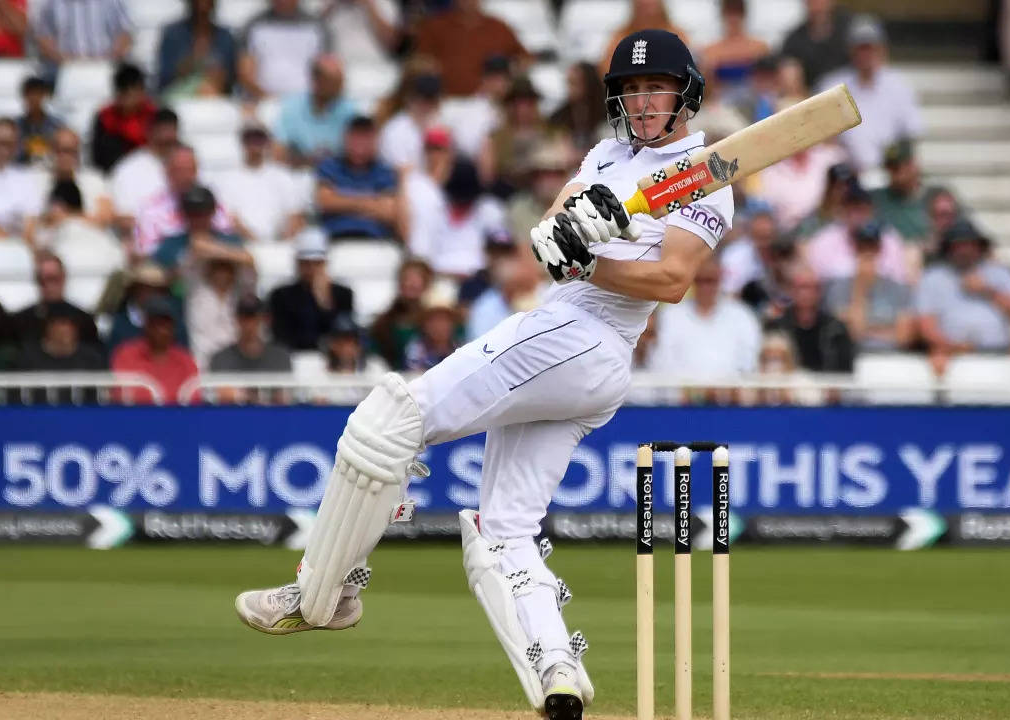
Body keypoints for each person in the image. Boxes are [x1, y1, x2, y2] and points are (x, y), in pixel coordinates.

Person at [234, 29, 734, 720]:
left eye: (656, 89)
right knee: (501, 530)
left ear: (685, 94)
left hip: (586, 333)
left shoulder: (705, 176)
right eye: (630, 89)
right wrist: (570, 229)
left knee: (391, 416)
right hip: (575, 343)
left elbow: (672, 279)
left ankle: (323, 594)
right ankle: (558, 672)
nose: (643, 101)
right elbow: (552, 230)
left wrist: (594, 258)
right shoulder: (606, 154)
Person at [916, 219, 1010, 386]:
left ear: (980, 247)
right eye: (958, 245)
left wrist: (988, 291)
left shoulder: (1000, 273)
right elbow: (926, 327)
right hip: (951, 350)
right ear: (948, 249)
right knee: (936, 365)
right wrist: (953, 346)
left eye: (969, 245)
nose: (964, 251)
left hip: (999, 348)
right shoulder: (933, 277)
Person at [647, 255, 762, 396]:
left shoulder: (742, 316)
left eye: (711, 281)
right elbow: (662, 360)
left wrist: (724, 390)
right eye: (700, 281)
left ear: (720, 280)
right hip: (681, 404)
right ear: (692, 281)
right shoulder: (671, 316)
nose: (705, 287)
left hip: (730, 403)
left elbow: (748, 362)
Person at [819, 15, 922, 171]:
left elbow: (910, 134)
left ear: (881, 49)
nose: (865, 54)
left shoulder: (899, 86)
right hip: (848, 174)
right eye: (860, 48)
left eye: (869, 47)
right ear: (850, 50)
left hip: (891, 172)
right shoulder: (833, 86)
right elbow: (825, 139)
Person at [133, 145, 236, 258]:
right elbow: (147, 252)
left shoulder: (214, 201)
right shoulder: (150, 209)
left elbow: (228, 236)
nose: (185, 176)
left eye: (190, 169)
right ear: (167, 171)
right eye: (179, 170)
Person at [823, 225, 914, 351]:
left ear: (880, 249)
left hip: (892, 360)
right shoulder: (838, 288)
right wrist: (860, 288)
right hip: (854, 359)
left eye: (873, 246)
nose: (868, 252)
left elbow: (903, 336)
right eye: (862, 247)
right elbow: (852, 333)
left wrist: (867, 331)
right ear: (854, 248)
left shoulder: (897, 288)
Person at [413, 0, 528, 96]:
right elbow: (417, 62)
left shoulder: (498, 27)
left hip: (490, 103)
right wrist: (428, 68)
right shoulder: (435, 26)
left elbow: (524, 59)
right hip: (446, 102)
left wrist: (505, 76)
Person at [214, 124, 308, 242]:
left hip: (280, 244)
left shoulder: (283, 176)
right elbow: (229, 217)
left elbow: (295, 214)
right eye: (249, 139)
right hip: (241, 243)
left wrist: (281, 244)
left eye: (259, 139)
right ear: (242, 142)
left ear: (267, 142)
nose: (254, 143)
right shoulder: (227, 179)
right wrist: (255, 241)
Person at [316, 115, 402, 240]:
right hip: (335, 240)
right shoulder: (330, 166)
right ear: (345, 138)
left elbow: (389, 211)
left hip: (375, 242)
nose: (360, 145)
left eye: (365, 138)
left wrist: (341, 202)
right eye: (355, 138)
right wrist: (372, 202)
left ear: (375, 141)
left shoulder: (385, 171)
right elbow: (325, 201)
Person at [268, 228, 354, 350]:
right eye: (306, 263)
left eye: (316, 263)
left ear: (325, 263)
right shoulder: (281, 296)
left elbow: (343, 335)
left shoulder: (343, 295)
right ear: (298, 263)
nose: (311, 269)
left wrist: (325, 302)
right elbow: (282, 336)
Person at [805, 185, 909, 283]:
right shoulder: (824, 240)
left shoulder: (889, 239)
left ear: (872, 211)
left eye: (861, 209)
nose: (856, 216)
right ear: (842, 211)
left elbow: (898, 280)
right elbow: (816, 282)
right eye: (851, 209)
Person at [110, 295, 199, 404]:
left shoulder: (185, 360)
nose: (162, 330)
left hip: (178, 419)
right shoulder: (126, 355)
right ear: (146, 325)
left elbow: (195, 400)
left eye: (166, 325)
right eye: (156, 324)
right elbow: (121, 396)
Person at [238, 0, 329, 102]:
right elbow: (246, 72)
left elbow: (326, 69)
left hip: (309, 102)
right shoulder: (254, 25)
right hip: (264, 101)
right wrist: (269, 98)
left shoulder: (317, 26)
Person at [275, 54, 357, 168]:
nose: (341, 87)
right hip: (296, 175)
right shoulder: (291, 108)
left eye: (341, 80)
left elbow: (359, 156)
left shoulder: (352, 110)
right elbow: (278, 154)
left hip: (340, 178)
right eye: (334, 81)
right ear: (316, 81)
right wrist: (308, 162)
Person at [768, 264, 854, 372]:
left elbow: (845, 371)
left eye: (811, 288)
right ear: (792, 291)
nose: (805, 293)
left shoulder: (836, 329)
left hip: (824, 385)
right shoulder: (777, 327)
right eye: (801, 287)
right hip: (789, 386)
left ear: (819, 292)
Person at [11, 252, 99, 348]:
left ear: (63, 278)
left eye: (53, 279)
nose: (49, 285)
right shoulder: (20, 321)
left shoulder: (84, 321)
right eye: (42, 280)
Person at [156, 0, 238, 99]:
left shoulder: (225, 36)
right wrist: (189, 64)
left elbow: (232, 75)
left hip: (217, 95)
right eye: (197, 3)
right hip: (180, 95)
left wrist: (218, 76)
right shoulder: (173, 35)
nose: (202, 7)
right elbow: (165, 75)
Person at [108, 107, 177, 225]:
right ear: (150, 132)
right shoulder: (127, 169)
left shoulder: (185, 165)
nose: (167, 137)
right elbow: (124, 218)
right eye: (163, 132)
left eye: (171, 132)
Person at [698, 0, 771, 106]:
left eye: (737, 13)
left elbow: (770, 84)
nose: (733, 18)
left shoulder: (760, 47)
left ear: (744, 15)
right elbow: (705, 89)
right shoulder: (710, 50)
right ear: (723, 16)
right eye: (729, 13)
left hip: (755, 102)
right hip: (722, 104)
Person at [32, 0, 132, 74]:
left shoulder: (111, 2)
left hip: (105, 67)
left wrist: (107, 60)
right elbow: (43, 38)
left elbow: (125, 35)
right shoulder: (51, 4)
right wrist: (65, 60)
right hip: (64, 68)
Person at [90, 63, 156, 174]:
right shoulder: (105, 117)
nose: (129, 99)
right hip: (115, 172)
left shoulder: (153, 115)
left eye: (134, 92)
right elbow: (97, 157)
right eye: (125, 94)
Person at [105, 262, 185, 351]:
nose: (151, 294)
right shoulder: (119, 322)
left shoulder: (174, 322)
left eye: (157, 290)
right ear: (135, 290)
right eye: (146, 288)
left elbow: (181, 353)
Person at [370, 257, 432, 369]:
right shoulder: (383, 324)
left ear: (427, 284)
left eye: (417, 279)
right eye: (406, 279)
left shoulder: (436, 322)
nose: (410, 284)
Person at [377, 72, 443, 177]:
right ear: (411, 99)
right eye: (422, 100)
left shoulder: (438, 125)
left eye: (431, 101)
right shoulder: (395, 130)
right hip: (398, 185)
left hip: (428, 184)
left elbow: (441, 168)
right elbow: (402, 173)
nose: (426, 106)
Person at [780, 0, 853, 88]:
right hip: (812, 94)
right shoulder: (794, 40)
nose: (817, 5)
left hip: (852, 90)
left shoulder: (850, 28)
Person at [210, 295, 291, 372]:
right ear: (237, 320)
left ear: (264, 320)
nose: (250, 324)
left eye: (255, 318)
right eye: (245, 318)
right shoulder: (221, 360)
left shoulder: (280, 358)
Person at [547, 62, 607, 155]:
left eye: (574, 83)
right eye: (569, 83)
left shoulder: (607, 114)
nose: (570, 88)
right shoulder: (560, 116)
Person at [320, 0, 398, 67]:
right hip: (340, 73)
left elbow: (393, 44)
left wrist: (368, 4)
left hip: (377, 71)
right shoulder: (333, 6)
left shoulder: (385, 4)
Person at [402, 284, 461, 371]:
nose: (439, 326)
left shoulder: (460, 349)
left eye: (444, 319)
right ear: (424, 324)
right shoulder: (415, 351)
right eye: (433, 320)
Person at [15, 76, 63, 166]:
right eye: (30, 94)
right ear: (24, 96)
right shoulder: (15, 127)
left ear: (44, 95)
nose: (34, 98)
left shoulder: (57, 125)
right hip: (22, 170)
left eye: (38, 94)